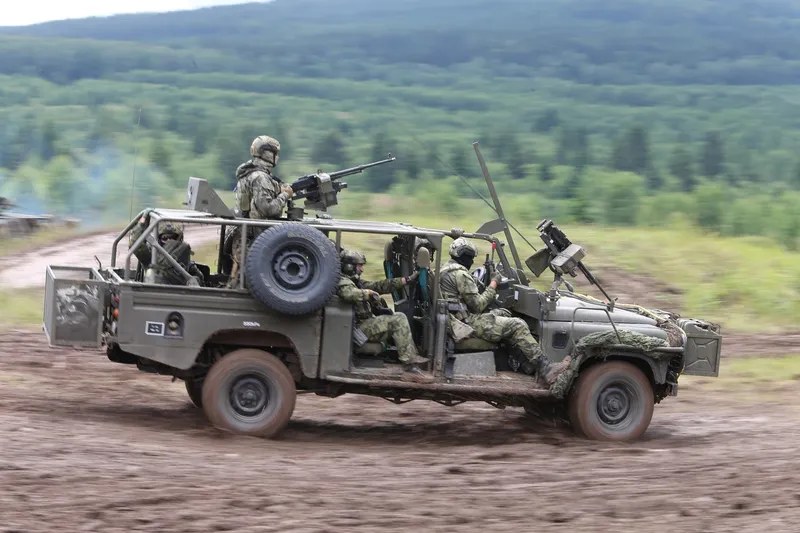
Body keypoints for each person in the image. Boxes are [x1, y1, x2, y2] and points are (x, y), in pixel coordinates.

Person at [438, 237, 572, 387]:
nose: (472, 261)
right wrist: (493, 283)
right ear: (464, 256)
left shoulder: (446, 269)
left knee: (504, 313)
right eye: (470, 257)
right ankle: (546, 368)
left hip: (458, 320)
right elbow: (478, 305)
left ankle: (526, 365)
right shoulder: (460, 274)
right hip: (465, 324)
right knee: (517, 325)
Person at [337, 248, 431, 381]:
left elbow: (380, 285)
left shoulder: (355, 282)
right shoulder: (343, 282)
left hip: (363, 325)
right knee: (398, 319)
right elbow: (348, 293)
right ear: (349, 266)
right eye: (359, 266)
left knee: (390, 314)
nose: (362, 269)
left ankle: (409, 355)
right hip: (358, 329)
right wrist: (368, 294)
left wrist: (407, 280)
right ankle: (409, 366)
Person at [227, 135, 294, 288]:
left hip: (247, 236)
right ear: (268, 154)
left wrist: (279, 190)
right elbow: (268, 209)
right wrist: (285, 195)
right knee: (249, 285)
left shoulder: (250, 173)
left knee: (241, 282)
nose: (278, 157)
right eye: (276, 153)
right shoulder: (260, 177)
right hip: (256, 238)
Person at [129, 215, 203, 286]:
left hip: (179, 293)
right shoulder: (151, 257)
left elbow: (200, 280)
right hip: (154, 292)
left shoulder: (186, 263)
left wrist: (194, 280)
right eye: (165, 237)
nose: (169, 241)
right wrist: (142, 222)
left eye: (173, 238)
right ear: (159, 240)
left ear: (180, 240)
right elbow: (136, 246)